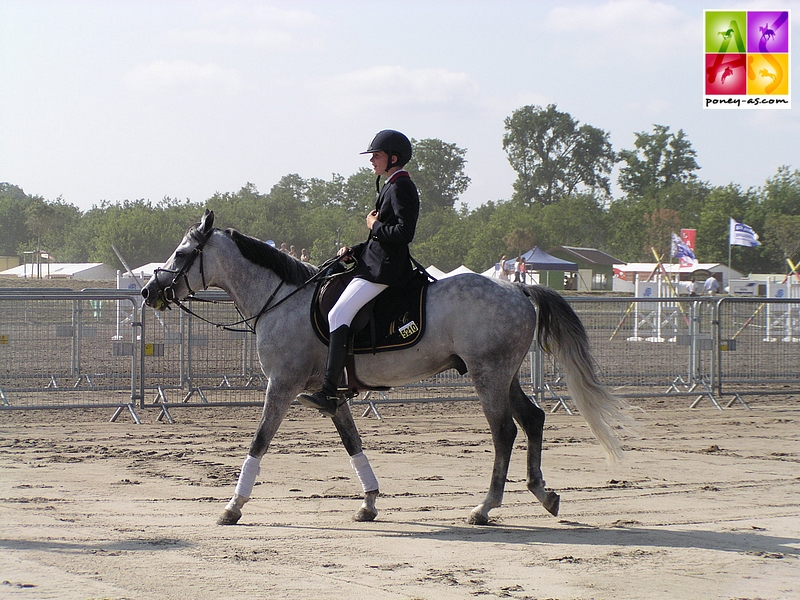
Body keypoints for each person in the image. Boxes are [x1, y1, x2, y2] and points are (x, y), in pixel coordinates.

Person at [297, 130, 419, 417]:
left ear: (393, 157)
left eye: (376, 155)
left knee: (338, 314)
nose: (372, 161)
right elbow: (380, 239)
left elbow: (404, 232)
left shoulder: (401, 186)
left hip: (384, 270)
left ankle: (329, 390)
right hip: (373, 262)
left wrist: (373, 226)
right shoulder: (389, 185)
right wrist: (356, 248)